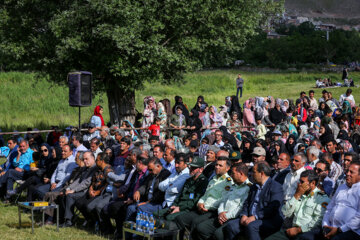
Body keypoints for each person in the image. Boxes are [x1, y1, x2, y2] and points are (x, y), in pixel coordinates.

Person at [224, 161, 284, 240]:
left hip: (267, 219)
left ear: (261, 173)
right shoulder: (254, 186)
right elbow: (247, 203)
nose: (252, 174)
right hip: (249, 217)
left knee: (252, 226)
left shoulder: (275, 187)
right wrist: (244, 215)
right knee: (231, 225)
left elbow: (272, 208)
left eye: (254, 172)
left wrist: (255, 217)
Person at [192, 162, 251, 240]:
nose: (231, 176)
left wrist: (226, 216)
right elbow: (223, 200)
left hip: (232, 218)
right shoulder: (233, 185)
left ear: (241, 174)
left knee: (218, 234)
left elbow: (240, 208)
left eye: (233, 173)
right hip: (221, 215)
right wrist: (220, 213)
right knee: (201, 228)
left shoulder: (248, 188)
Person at [265, 170, 330, 240]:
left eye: (302, 182)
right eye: (300, 181)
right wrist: (296, 195)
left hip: (305, 234)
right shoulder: (300, 192)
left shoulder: (321, 199)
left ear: (313, 183)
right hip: (291, 230)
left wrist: (298, 230)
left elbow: (318, 221)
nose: (299, 184)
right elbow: (285, 212)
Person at [322, 161, 360, 240]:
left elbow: (358, 218)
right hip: (331, 227)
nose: (347, 174)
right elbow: (329, 208)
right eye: (347, 171)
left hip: (350, 231)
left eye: (351, 172)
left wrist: (340, 229)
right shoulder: (341, 187)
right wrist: (325, 225)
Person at [75, 152, 114, 228]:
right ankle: (90, 220)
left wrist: (97, 192)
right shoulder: (97, 169)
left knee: (88, 206)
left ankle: (98, 223)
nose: (96, 161)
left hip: (101, 194)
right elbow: (93, 181)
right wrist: (90, 189)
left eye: (97, 160)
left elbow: (107, 185)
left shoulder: (109, 170)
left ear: (102, 161)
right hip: (93, 191)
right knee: (78, 202)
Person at [125, 157, 171, 222]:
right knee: (130, 208)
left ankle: (140, 231)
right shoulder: (151, 174)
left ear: (158, 166)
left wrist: (147, 202)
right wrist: (138, 191)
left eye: (151, 170)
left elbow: (160, 194)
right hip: (147, 201)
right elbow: (144, 186)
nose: (149, 172)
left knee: (141, 208)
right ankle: (128, 230)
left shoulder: (165, 174)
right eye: (148, 170)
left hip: (156, 203)